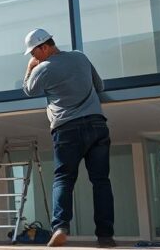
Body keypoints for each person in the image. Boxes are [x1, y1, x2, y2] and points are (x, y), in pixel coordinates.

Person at [22, 28, 115, 248]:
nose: (33, 57)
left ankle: (61, 227)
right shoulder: (80, 56)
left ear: (45, 46)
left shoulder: (43, 68)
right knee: (101, 181)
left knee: (64, 179)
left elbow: (28, 90)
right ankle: (105, 236)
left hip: (67, 129)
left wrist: (30, 68)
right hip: (97, 124)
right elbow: (99, 86)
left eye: (34, 52)